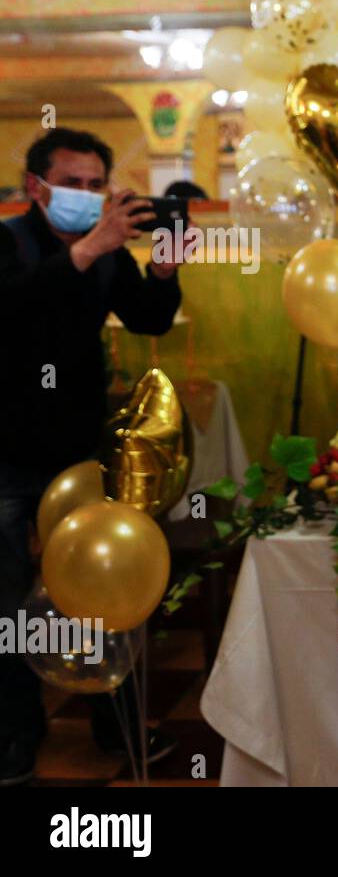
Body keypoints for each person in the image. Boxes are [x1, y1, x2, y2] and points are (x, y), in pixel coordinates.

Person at [0, 128, 183, 786]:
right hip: (9, 453)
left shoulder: (107, 249)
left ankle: (117, 725)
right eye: (70, 183)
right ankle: (18, 735)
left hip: (79, 450)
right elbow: (15, 311)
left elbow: (147, 319)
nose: (84, 196)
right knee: (8, 606)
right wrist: (85, 250)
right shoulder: (9, 242)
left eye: (93, 185)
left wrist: (162, 273)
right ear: (35, 187)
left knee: (103, 588)